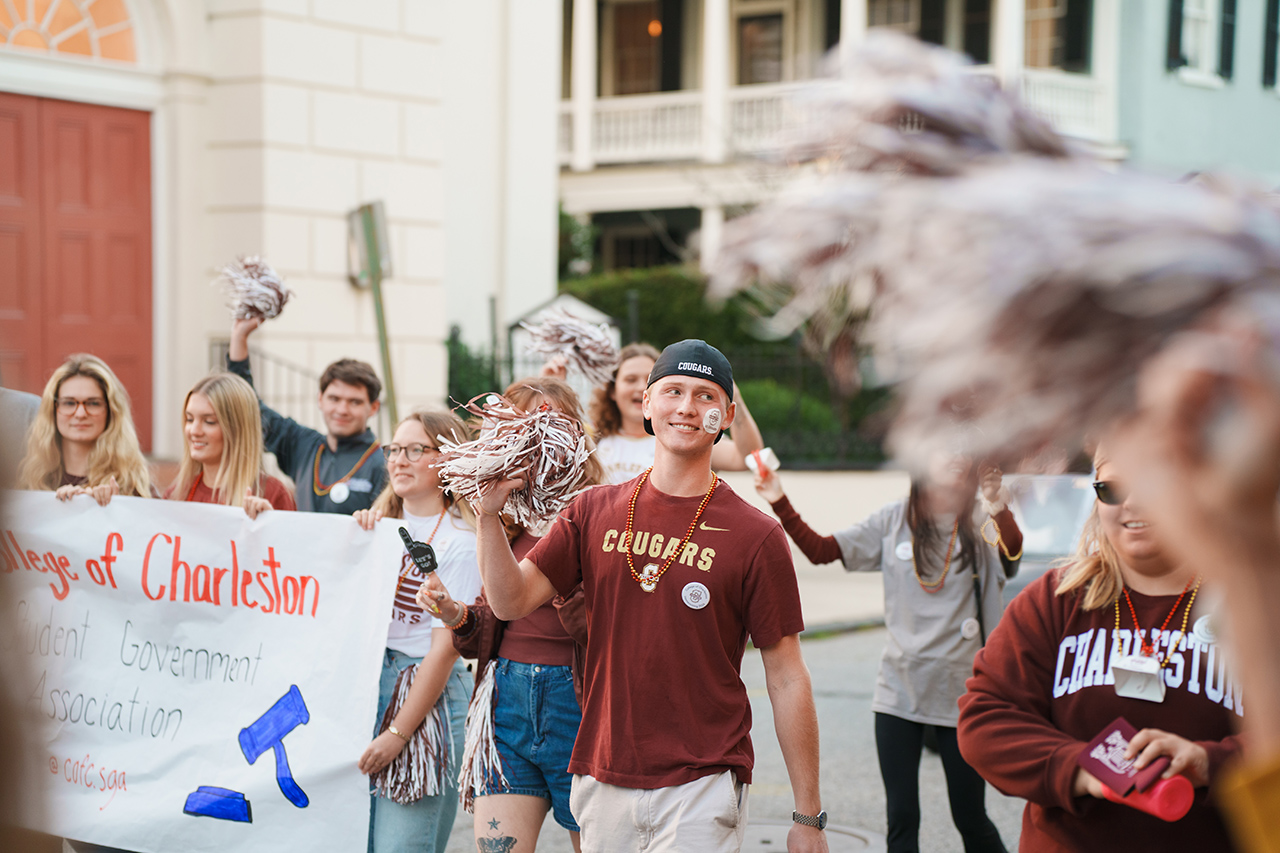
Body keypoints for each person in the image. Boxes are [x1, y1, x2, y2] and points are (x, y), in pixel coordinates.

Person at [473, 339, 828, 853]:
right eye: (673, 391)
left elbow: (788, 675)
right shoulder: (591, 510)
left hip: (702, 781)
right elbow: (510, 602)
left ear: (726, 415)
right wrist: (486, 516)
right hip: (603, 773)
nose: (687, 407)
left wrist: (808, 815)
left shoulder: (757, 536)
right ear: (646, 405)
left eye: (706, 397)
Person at [956, 441, 1243, 850]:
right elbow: (984, 718)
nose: (1133, 503)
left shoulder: (1252, 605)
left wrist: (1208, 763)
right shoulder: (1052, 601)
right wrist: (1084, 770)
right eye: (1113, 488)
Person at [755, 451, 1020, 853]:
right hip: (899, 694)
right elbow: (822, 550)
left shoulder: (979, 521)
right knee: (901, 820)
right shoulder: (893, 519)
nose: (952, 457)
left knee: (970, 817)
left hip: (961, 695)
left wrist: (998, 505)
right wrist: (778, 498)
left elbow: (1012, 556)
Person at [418, 377, 601, 853]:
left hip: (578, 702)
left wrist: (563, 579)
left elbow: (613, 629)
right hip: (507, 698)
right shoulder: (502, 515)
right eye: (524, 424)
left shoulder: (600, 511)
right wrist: (455, 613)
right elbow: (493, 616)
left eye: (551, 422)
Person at [353, 409, 481, 853]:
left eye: (414, 450)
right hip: (368, 686)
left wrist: (398, 733)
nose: (399, 460)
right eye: (394, 450)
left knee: (401, 845)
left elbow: (444, 651)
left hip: (424, 694)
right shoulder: (374, 528)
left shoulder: (463, 542)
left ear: (446, 461)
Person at [227, 316, 386, 513]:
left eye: (355, 402)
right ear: (320, 399)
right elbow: (248, 408)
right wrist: (239, 337)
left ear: (373, 407)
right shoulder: (304, 446)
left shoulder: (384, 465)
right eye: (334, 399)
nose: (342, 410)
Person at [588, 342, 767, 484]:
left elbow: (749, 459)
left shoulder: (688, 438)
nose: (641, 386)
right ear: (612, 390)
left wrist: (733, 396)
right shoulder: (591, 441)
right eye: (630, 379)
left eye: (649, 379)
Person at [17, 354, 153, 503]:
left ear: (111, 411)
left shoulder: (134, 483)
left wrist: (117, 507)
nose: (80, 414)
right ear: (53, 410)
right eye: (69, 403)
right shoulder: (30, 478)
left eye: (93, 403)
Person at [165, 373, 295, 516]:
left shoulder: (273, 494)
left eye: (209, 421)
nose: (194, 431)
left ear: (237, 429)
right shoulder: (175, 496)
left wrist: (271, 525)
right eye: (189, 419)